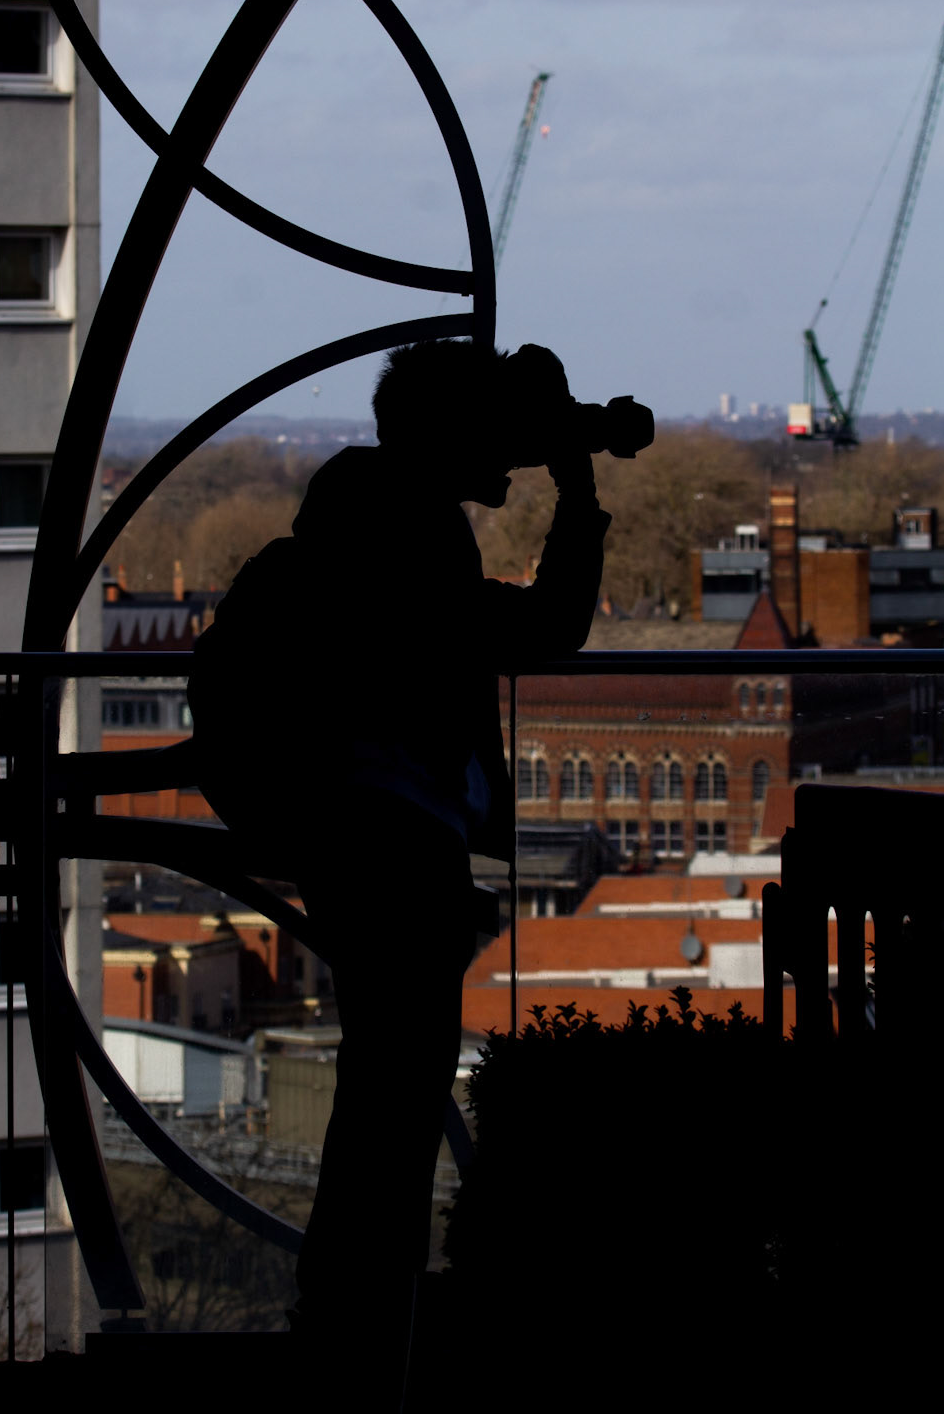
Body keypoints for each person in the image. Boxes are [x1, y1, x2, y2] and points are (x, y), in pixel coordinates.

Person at [188, 337, 614, 1370]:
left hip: (350, 833)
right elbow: (552, 623)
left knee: (383, 1093)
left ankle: (351, 1325)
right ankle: (358, 1332)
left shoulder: (356, 525)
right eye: (492, 432)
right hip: (393, 841)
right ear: (449, 438)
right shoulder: (407, 542)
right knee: (393, 1100)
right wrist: (577, 484)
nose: (505, 453)